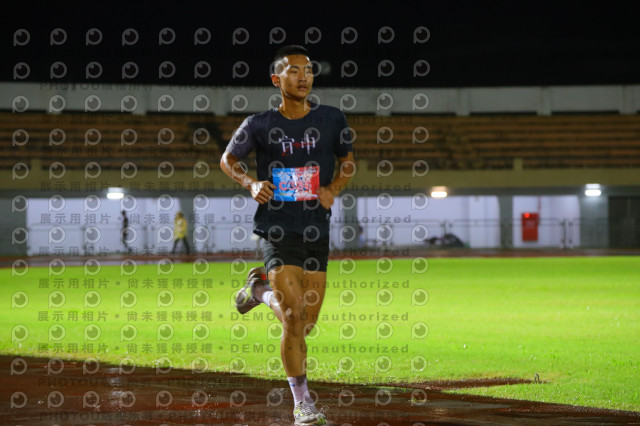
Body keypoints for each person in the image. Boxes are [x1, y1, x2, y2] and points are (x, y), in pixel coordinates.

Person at [220, 44, 355, 426]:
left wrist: (333, 189)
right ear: (276, 80)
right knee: (294, 317)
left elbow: (348, 162)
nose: (303, 76)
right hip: (276, 228)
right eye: (294, 71)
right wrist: (249, 183)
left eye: (308, 70)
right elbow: (228, 159)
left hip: (316, 228)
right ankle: (302, 404)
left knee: (305, 324)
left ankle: (259, 292)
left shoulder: (332, 119)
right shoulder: (259, 124)